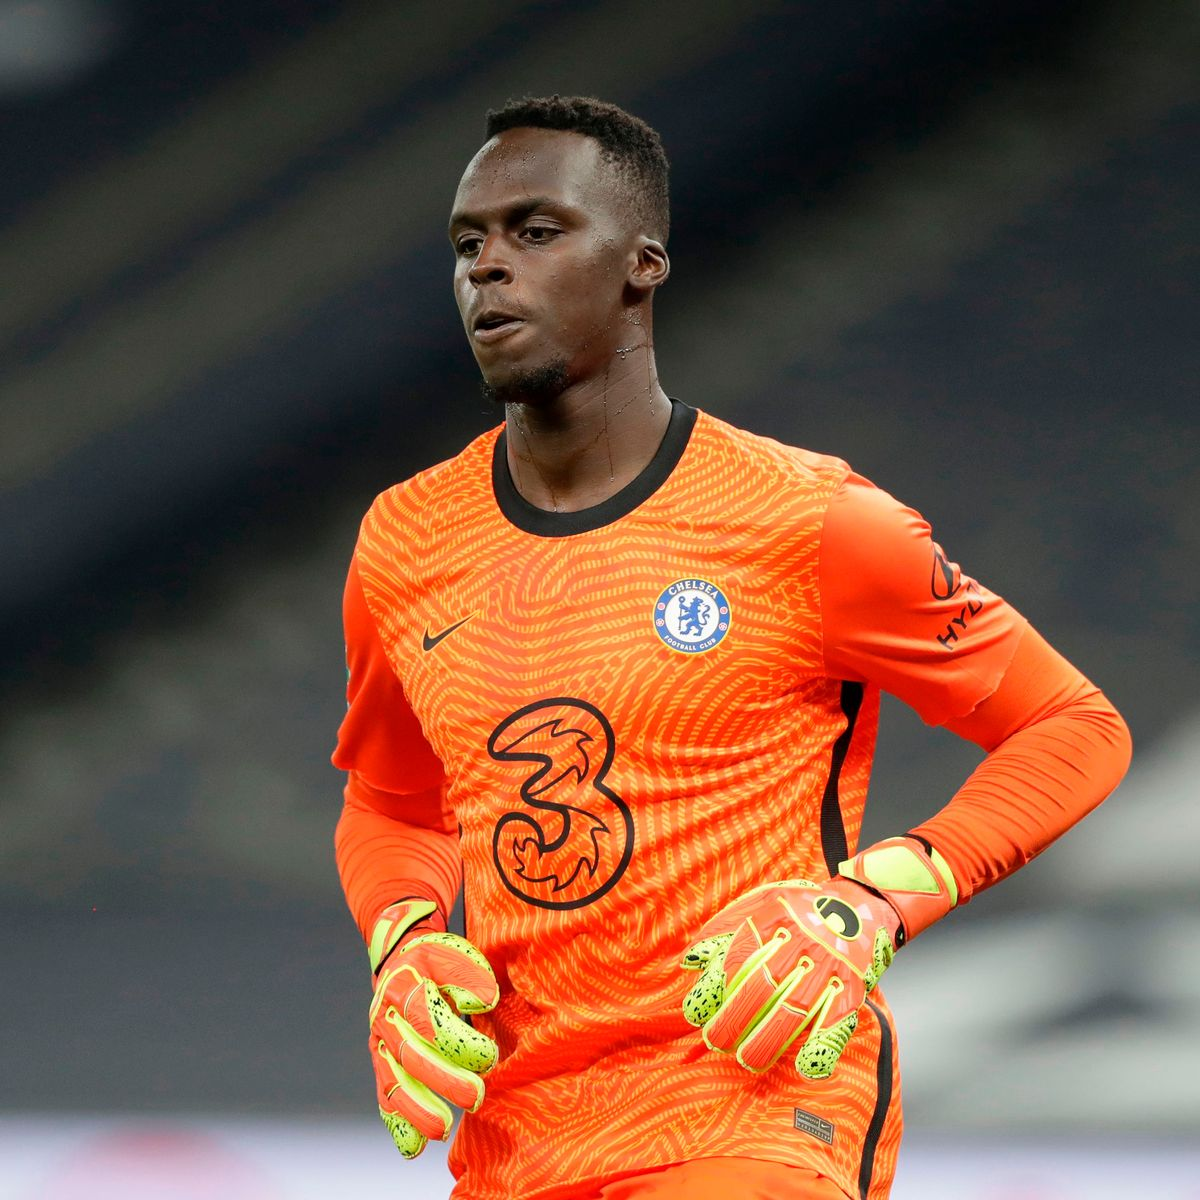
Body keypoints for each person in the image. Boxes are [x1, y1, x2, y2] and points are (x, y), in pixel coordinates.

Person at [331, 95, 1131, 1200]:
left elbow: (1073, 726)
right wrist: (403, 937)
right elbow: (392, 803)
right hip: (516, 1146)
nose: (488, 268)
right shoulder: (405, 540)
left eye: (536, 230)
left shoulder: (808, 520)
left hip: (753, 1117)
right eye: (469, 244)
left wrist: (875, 900)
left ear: (643, 263)